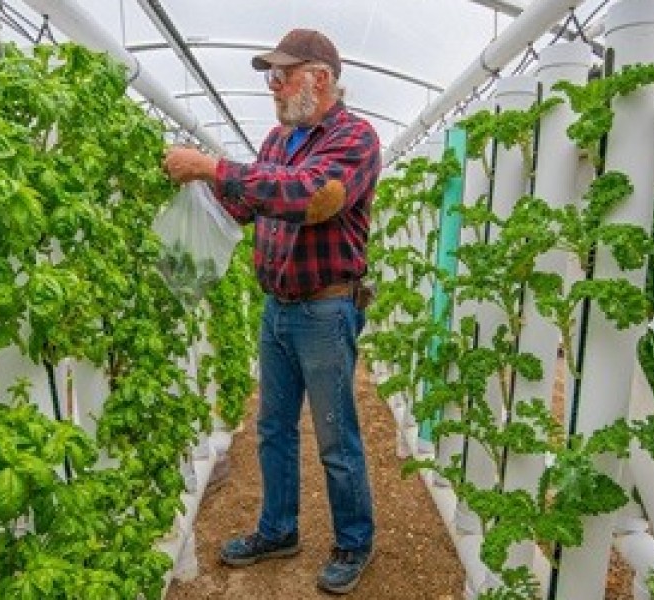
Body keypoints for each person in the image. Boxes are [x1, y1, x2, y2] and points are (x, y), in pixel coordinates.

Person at [163, 28, 379, 596]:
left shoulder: (355, 138)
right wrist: (195, 197)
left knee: (336, 437)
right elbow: (246, 202)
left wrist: (214, 167)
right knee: (273, 429)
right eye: (270, 76)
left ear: (321, 79)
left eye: (283, 74)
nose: (274, 86)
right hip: (277, 308)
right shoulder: (278, 140)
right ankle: (278, 529)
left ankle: (354, 540)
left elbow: (307, 193)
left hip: (327, 312)